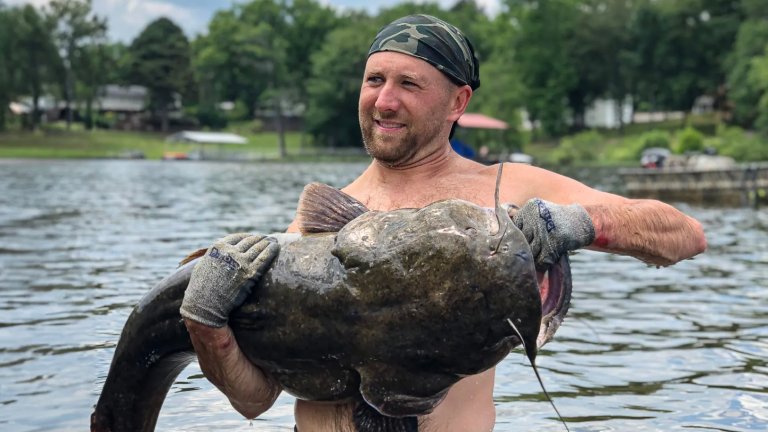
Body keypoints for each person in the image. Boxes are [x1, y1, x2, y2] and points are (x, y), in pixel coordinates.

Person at [180, 14, 707, 432]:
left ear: (459, 101)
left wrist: (576, 222)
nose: (385, 100)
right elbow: (254, 400)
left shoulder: (506, 189)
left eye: (409, 83)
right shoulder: (320, 220)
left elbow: (683, 235)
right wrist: (207, 325)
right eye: (374, 80)